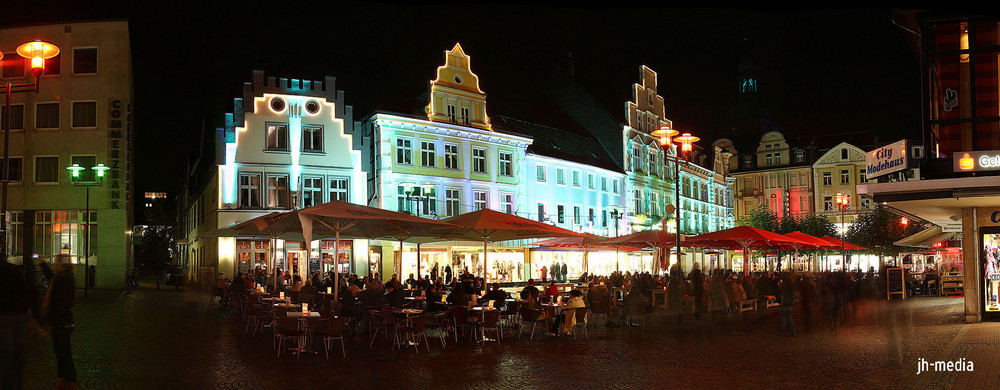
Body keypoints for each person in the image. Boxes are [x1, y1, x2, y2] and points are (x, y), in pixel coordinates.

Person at [1, 257, 44, 390]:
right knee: (16, 352)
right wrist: (35, 314)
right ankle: (16, 383)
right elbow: (32, 290)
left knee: (6, 356)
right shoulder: (15, 270)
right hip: (20, 315)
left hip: (5, 316)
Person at [40, 254, 77, 390]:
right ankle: (61, 382)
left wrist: (46, 318)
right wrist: (43, 263)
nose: (54, 264)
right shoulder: (62, 277)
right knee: (61, 355)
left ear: (61, 264)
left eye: (56, 262)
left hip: (61, 322)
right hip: (62, 321)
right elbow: (52, 279)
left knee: (64, 356)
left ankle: (71, 383)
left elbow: (60, 304)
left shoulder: (64, 279)